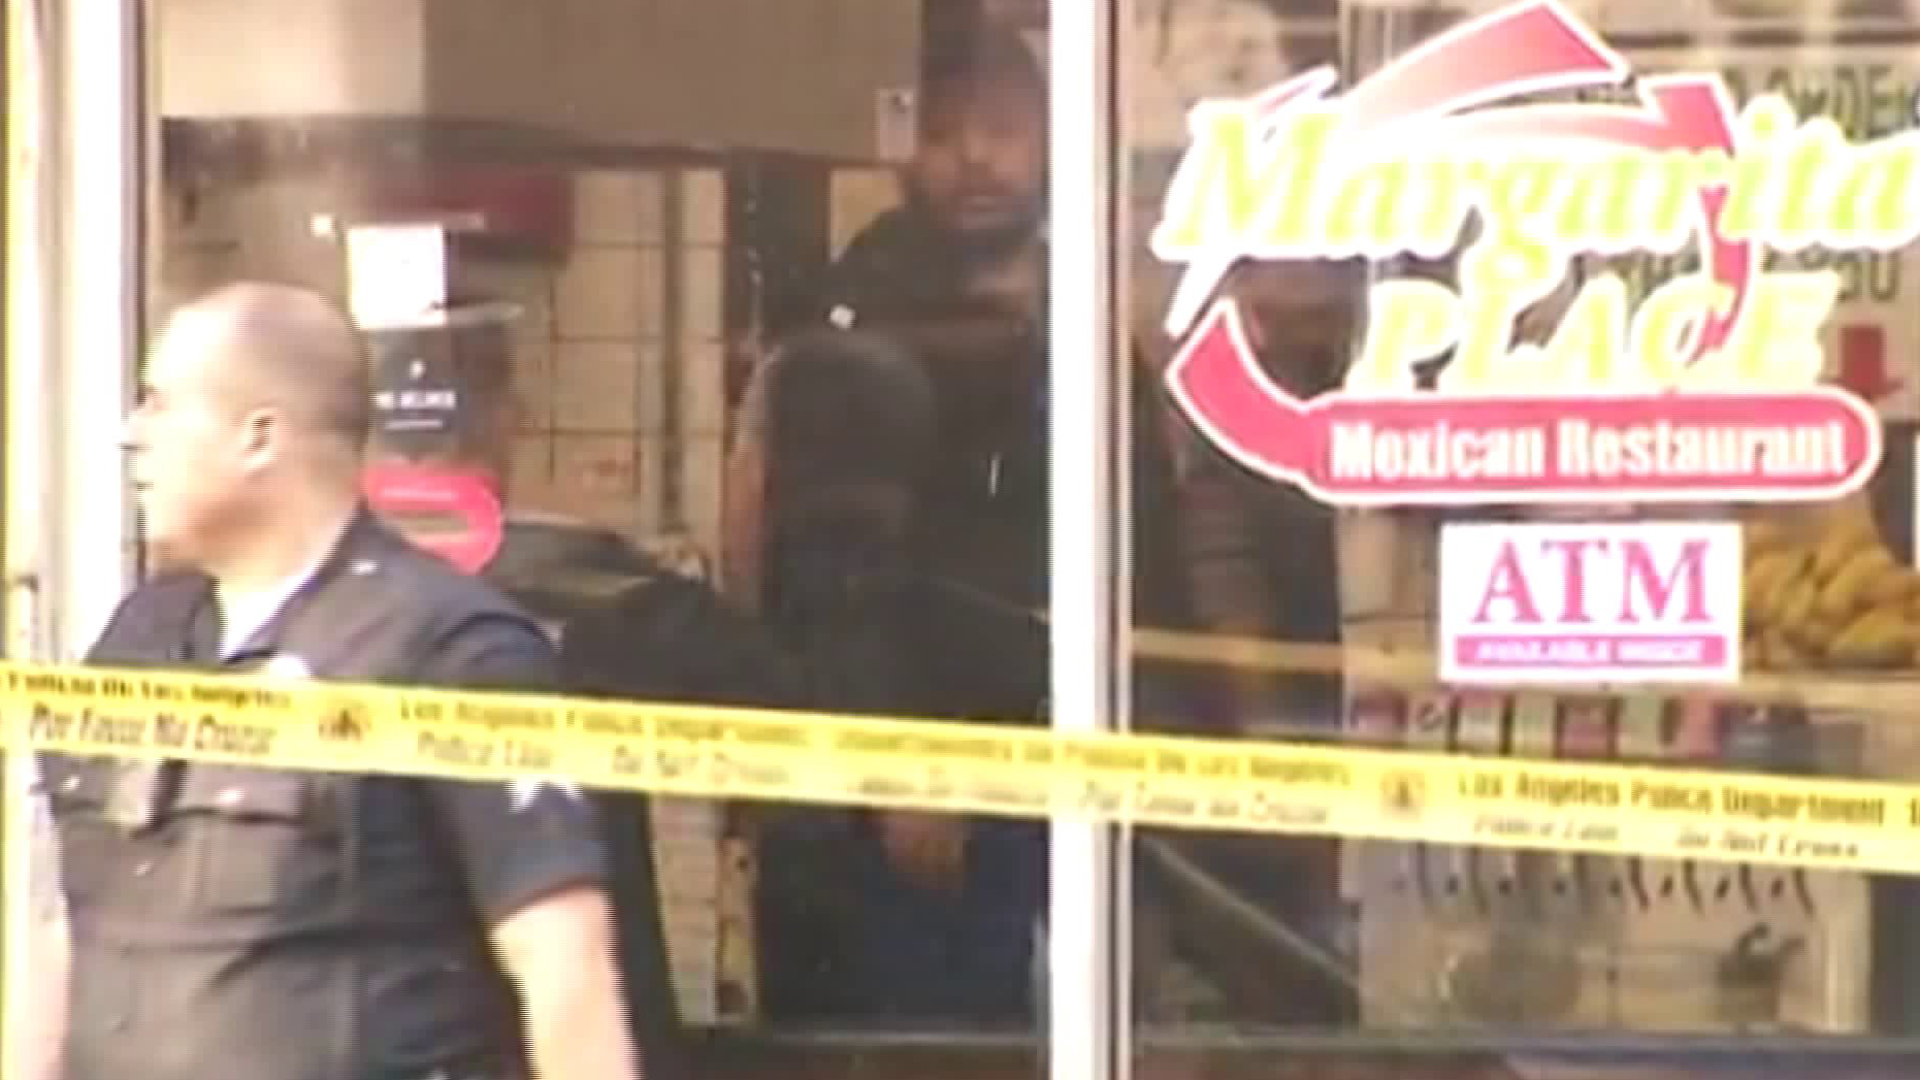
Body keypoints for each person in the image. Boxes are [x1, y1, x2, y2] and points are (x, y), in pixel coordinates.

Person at [32, 281, 645, 1080]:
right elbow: (65, 933)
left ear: (260, 437)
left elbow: (564, 965)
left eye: (158, 403)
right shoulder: (142, 639)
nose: (129, 434)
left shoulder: (451, 651)